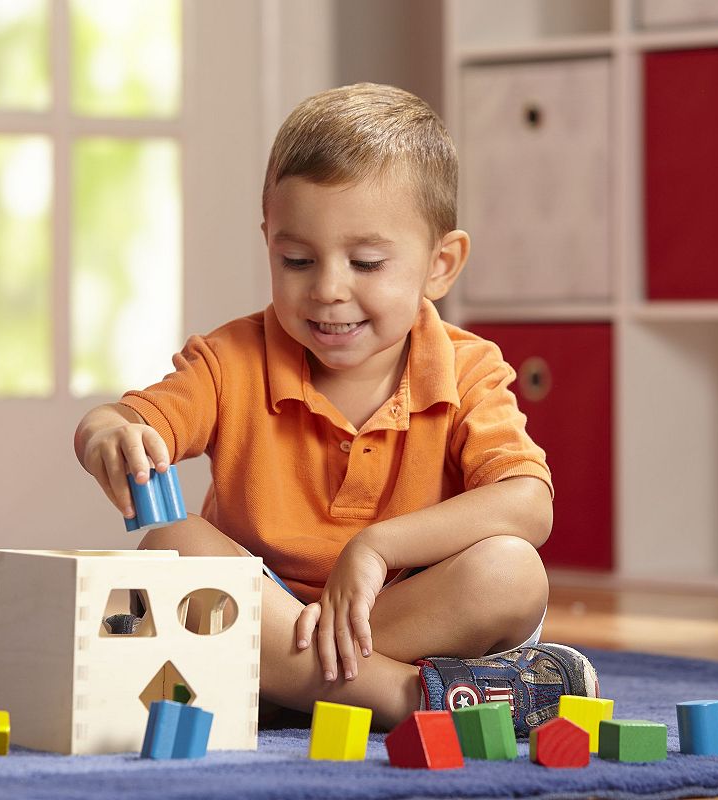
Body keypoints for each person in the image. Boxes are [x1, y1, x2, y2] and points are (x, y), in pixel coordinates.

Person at [74, 83, 598, 734]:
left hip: (400, 610)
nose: (327, 289)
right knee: (172, 544)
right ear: (269, 241)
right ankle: (410, 698)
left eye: (366, 262)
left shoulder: (466, 369)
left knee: (512, 571)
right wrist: (107, 434)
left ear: (440, 265)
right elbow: (129, 419)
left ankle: (279, 683)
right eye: (296, 260)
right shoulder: (229, 360)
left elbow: (527, 503)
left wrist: (376, 548)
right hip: (265, 607)